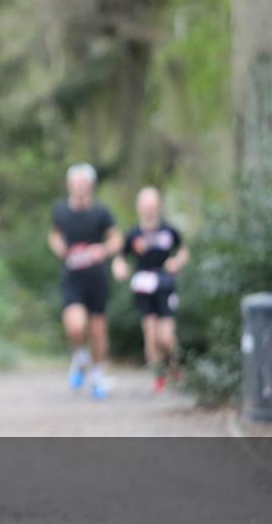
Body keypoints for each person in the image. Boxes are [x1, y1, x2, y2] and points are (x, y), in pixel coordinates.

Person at [48, 164, 123, 399]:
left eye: (84, 184)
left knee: (98, 329)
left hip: (96, 278)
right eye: (76, 183)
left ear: (90, 186)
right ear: (70, 185)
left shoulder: (101, 212)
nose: (80, 188)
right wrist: (59, 247)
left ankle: (98, 374)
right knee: (75, 326)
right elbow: (54, 234)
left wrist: (104, 249)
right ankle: (80, 356)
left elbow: (116, 238)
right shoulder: (60, 210)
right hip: (72, 278)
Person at [112, 187, 189, 392]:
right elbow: (120, 257)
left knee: (166, 337)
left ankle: (174, 366)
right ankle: (158, 376)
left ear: (158, 206)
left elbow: (183, 251)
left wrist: (176, 262)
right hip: (143, 288)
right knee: (151, 333)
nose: (149, 208)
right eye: (145, 204)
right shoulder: (133, 234)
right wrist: (119, 268)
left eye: (152, 204)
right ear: (139, 207)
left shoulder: (169, 230)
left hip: (165, 286)